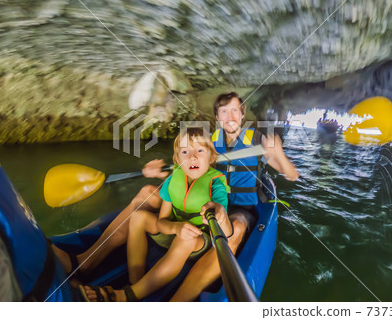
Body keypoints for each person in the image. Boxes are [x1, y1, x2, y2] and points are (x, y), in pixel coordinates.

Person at [52, 91, 298, 300]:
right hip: (201, 197)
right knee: (146, 193)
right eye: (224, 112)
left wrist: (280, 155)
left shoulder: (258, 140)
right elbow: (185, 166)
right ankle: (85, 262)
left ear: (243, 114)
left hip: (239, 208)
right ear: (217, 117)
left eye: (235, 111)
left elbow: (292, 175)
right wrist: (158, 173)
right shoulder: (209, 141)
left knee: (235, 230)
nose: (230, 117)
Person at [80, 128, 232, 301]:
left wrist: (219, 212)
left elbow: (222, 218)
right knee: (138, 217)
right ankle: (135, 282)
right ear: (177, 159)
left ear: (211, 157)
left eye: (199, 150)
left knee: (185, 239)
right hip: (173, 229)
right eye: (185, 151)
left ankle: (128, 295)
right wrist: (175, 227)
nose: (192, 157)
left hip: (196, 240)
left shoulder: (216, 183)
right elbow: (162, 221)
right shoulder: (173, 178)